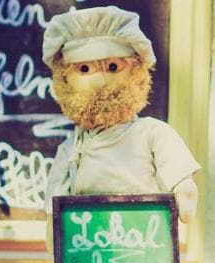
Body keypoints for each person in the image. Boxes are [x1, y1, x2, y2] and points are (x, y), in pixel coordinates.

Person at [41, 6, 200, 250]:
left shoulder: (151, 133)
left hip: (143, 241)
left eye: (113, 67)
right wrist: (55, 226)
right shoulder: (72, 147)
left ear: (137, 72)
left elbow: (176, 169)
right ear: (65, 81)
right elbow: (57, 197)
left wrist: (182, 187)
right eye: (84, 69)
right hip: (90, 243)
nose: (99, 80)